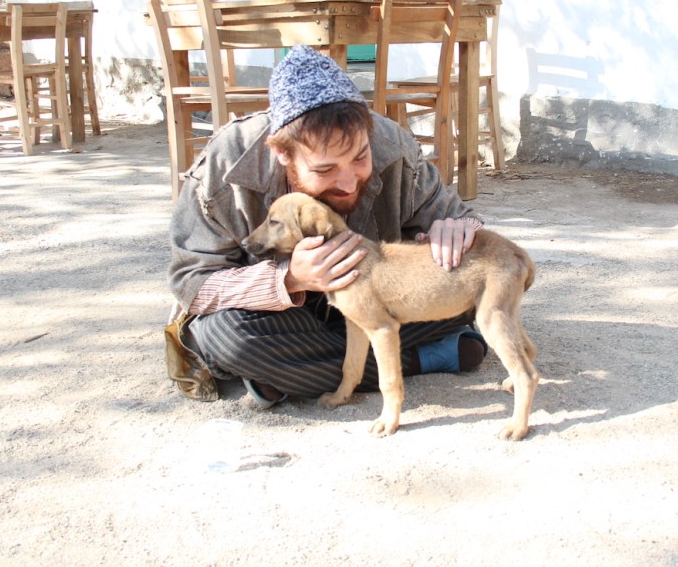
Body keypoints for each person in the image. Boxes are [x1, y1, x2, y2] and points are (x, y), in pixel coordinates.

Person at [167, 45, 488, 408]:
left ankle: (291, 374)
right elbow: (190, 285)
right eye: (324, 170)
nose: (350, 183)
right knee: (227, 339)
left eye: (360, 158)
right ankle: (424, 358)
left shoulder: (390, 143)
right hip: (280, 322)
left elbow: (458, 216)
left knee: (466, 288)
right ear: (281, 153)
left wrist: (457, 229)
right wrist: (290, 279)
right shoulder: (226, 167)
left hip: (373, 301)